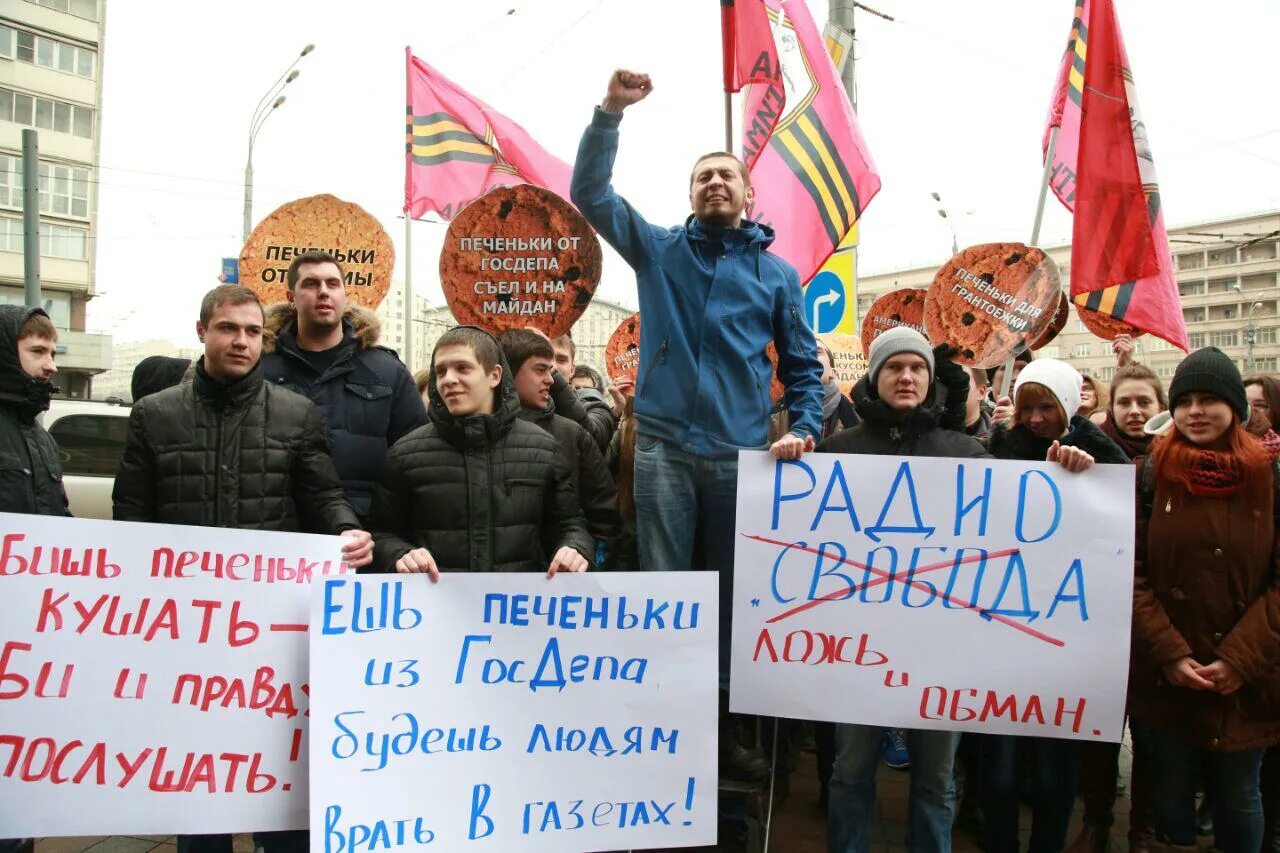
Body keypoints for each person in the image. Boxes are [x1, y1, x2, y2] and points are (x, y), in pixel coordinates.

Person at [112, 285, 372, 853]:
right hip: (185, 633)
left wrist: (345, 530)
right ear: (202, 330)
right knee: (199, 784)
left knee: (277, 780)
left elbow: (322, 496)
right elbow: (131, 518)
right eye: (229, 328)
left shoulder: (295, 413)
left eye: (253, 332)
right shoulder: (155, 416)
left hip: (268, 637)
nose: (241, 341)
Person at [818, 328, 989, 853]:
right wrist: (788, 462)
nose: (906, 376)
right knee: (850, 771)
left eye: (917, 367)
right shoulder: (835, 452)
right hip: (859, 650)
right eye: (894, 367)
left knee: (936, 781)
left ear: (931, 378)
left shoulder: (967, 454)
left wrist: (1071, 467)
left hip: (943, 651)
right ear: (874, 375)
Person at [1130, 347, 1280, 853]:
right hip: (1168, 675)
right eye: (1185, 400)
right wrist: (1171, 654)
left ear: (1235, 407)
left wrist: (1238, 660)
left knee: (1239, 796)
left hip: (1247, 678)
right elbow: (1131, 572)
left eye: (1210, 399)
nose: (1196, 411)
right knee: (1170, 796)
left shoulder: (1272, 479)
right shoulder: (1149, 476)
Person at [980, 359, 1127, 853]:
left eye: (1048, 407)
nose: (1038, 418)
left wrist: (1089, 474)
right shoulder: (996, 452)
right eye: (1028, 408)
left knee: (1053, 773)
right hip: (1002, 635)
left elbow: (1118, 526)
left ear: (1068, 406)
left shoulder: (1101, 455)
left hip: (1066, 642)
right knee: (999, 773)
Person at [368, 326, 592, 577]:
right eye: (440, 371)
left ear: (494, 375)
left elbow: (570, 525)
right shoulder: (405, 455)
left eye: (462, 368)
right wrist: (399, 554)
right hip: (437, 610)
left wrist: (574, 548)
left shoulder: (543, 449)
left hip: (517, 610)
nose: (448, 379)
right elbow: (382, 534)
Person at [259, 249, 427, 522]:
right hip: (281, 531)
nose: (323, 292)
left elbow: (417, 456)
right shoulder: (261, 369)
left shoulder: (386, 371)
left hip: (365, 533)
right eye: (311, 284)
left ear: (344, 295)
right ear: (292, 298)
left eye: (332, 284)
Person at [0, 306, 67, 853]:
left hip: (26, 631)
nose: (49, 366)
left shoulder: (38, 436)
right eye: (37, 352)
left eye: (52, 353)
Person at [499, 329, 622, 569]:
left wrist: (588, 561)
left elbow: (605, 521)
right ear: (503, 373)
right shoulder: (471, 436)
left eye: (554, 367)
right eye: (540, 369)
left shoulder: (571, 434)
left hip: (560, 591)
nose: (551, 379)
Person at [548, 330, 616, 451]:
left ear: (572, 369)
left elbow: (594, 439)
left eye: (561, 359)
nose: (552, 365)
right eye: (546, 357)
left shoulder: (594, 406)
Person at [1096, 363, 1167, 461]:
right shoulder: (1088, 449)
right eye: (1124, 403)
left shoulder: (1182, 451)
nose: (1134, 411)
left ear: (1161, 408)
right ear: (1111, 409)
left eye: (1144, 402)